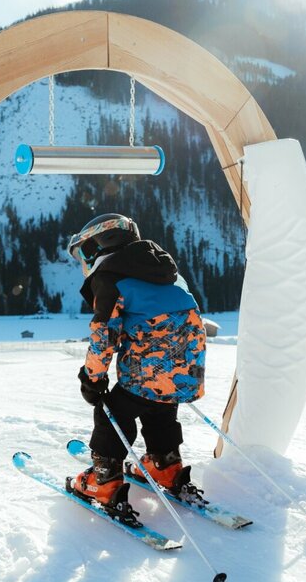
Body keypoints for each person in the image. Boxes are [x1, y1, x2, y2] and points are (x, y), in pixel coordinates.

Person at [65, 213, 206, 506]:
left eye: (83, 252)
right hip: (187, 373)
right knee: (160, 408)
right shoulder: (169, 273)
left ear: (98, 245)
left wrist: (92, 378)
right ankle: (165, 465)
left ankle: (103, 480)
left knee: (111, 413)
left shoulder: (110, 277)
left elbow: (104, 336)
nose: (84, 260)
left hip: (146, 373)